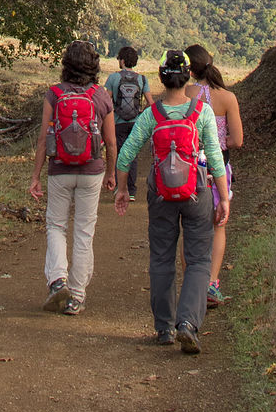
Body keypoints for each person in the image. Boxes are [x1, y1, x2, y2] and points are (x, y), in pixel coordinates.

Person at [114, 49, 229, 354]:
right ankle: (188, 324)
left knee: (162, 258)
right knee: (199, 260)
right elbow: (216, 158)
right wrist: (224, 196)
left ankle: (164, 327)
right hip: (197, 193)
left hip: (161, 195)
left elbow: (126, 155)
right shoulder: (201, 111)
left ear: (162, 78)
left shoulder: (152, 115)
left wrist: (122, 190)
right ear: (189, 76)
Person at [30, 39, 117, 315]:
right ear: (93, 66)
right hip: (92, 171)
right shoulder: (101, 95)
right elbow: (111, 142)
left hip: (60, 170)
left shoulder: (54, 94)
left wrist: (35, 176)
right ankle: (76, 296)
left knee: (56, 225)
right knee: (83, 231)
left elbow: (44, 139)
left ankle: (57, 281)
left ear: (66, 65)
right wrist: (112, 173)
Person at [185, 43, 243, 307]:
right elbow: (238, 140)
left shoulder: (186, 93)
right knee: (219, 224)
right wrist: (220, 142)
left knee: (191, 225)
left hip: (189, 168)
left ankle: (192, 283)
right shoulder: (227, 98)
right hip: (219, 168)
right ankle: (212, 283)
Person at [104, 46, 152, 201]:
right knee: (133, 156)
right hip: (135, 123)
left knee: (118, 154)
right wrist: (141, 113)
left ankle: (119, 188)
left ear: (122, 60)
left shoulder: (113, 78)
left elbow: (106, 101)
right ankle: (130, 191)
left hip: (116, 123)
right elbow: (151, 103)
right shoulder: (142, 79)